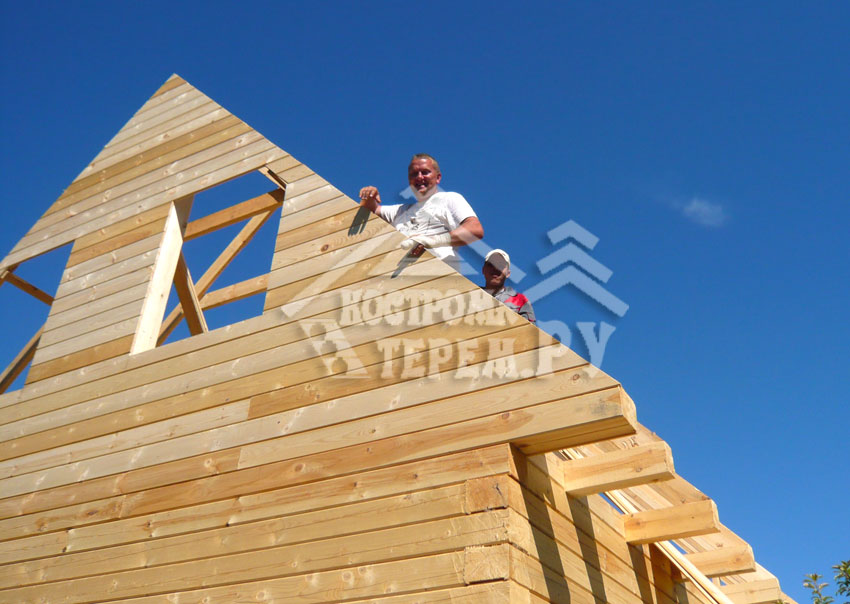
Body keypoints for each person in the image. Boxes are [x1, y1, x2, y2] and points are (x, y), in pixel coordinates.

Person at [359, 154, 483, 274]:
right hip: (402, 281)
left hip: (439, 278)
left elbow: (475, 230)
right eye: (414, 174)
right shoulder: (400, 211)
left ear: (438, 177)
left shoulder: (448, 199)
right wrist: (369, 196)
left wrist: (431, 241)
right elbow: (370, 210)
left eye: (425, 172)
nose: (419, 177)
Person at [482, 249, 536, 323]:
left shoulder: (520, 300)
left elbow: (530, 328)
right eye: (491, 264)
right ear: (483, 270)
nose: (495, 268)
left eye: (501, 265)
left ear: (508, 273)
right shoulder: (469, 295)